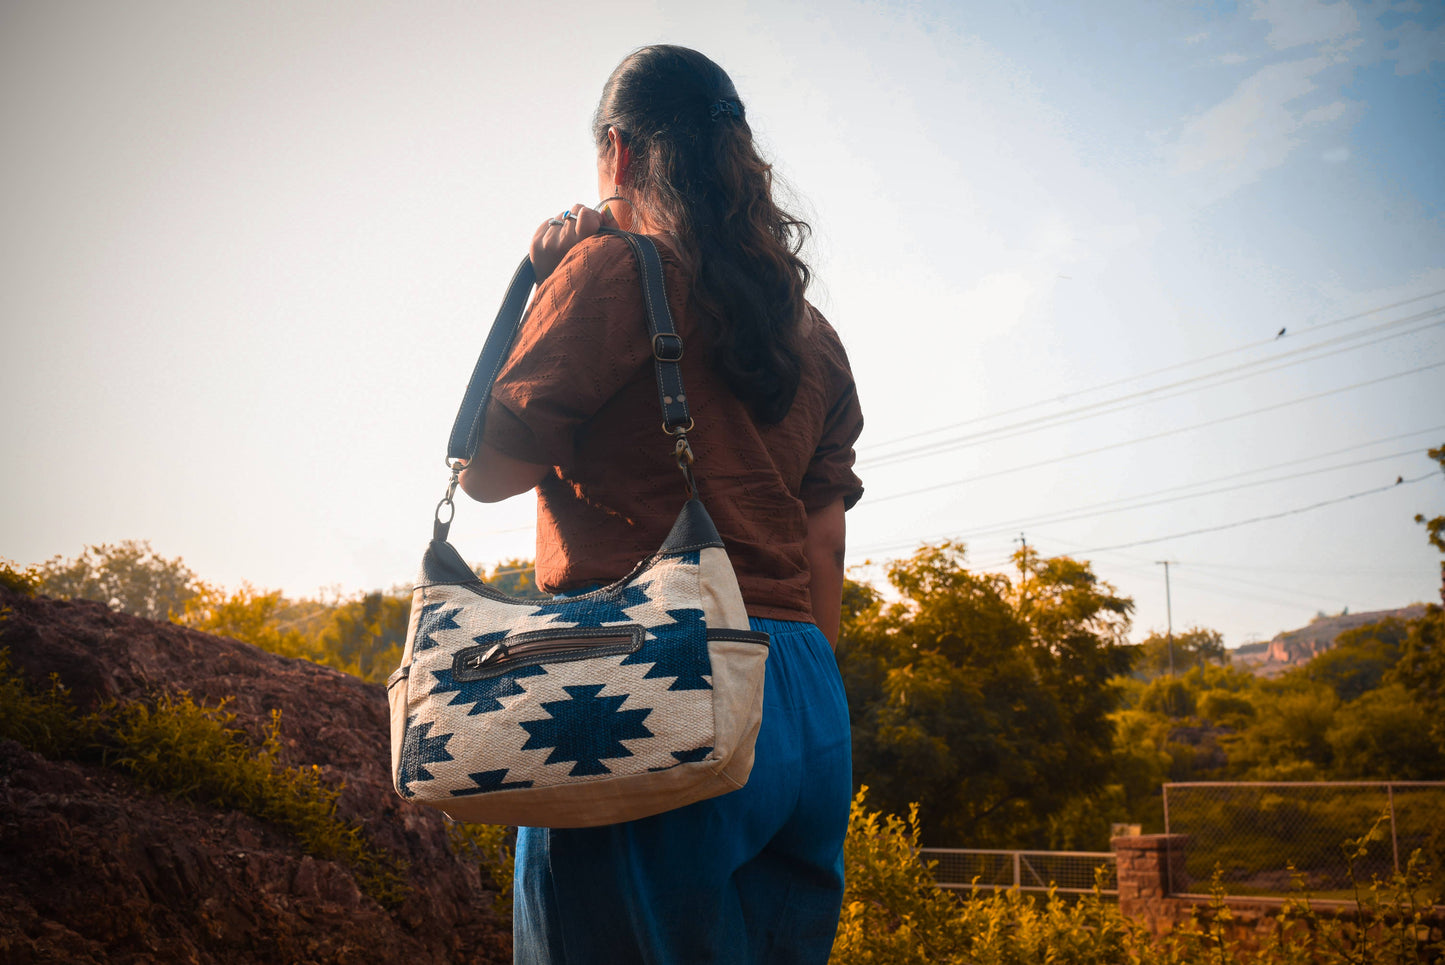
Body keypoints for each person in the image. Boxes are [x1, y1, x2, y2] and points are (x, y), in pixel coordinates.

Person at [458, 44, 864, 965]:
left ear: (619, 154)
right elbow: (823, 540)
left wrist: (543, 283)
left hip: (647, 673)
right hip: (801, 690)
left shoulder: (612, 273)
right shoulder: (813, 333)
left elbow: (485, 470)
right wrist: (787, 707)